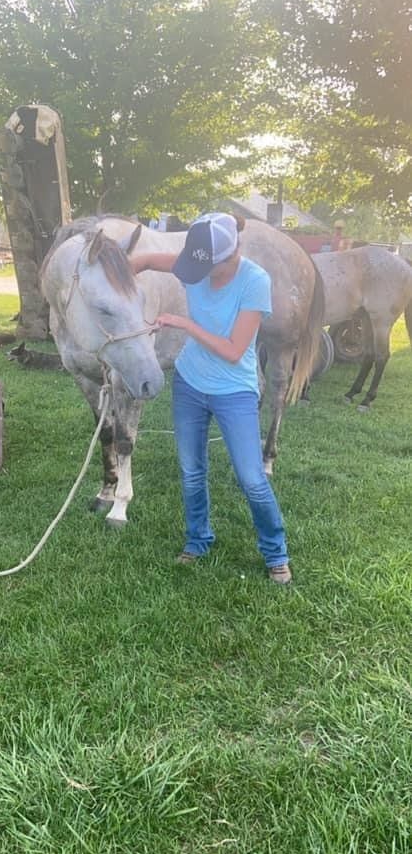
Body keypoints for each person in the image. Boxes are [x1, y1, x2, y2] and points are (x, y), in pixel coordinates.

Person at [130, 212, 292, 585]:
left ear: (229, 254)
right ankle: (198, 540)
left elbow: (236, 350)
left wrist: (183, 323)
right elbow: (145, 261)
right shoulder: (196, 264)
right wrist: (119, 275)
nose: (193, 274)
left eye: (203, 267)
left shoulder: (254, 281)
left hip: (234, 390)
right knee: (191, 471)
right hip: (189, 384)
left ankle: (275, 552)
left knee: (252, 478)